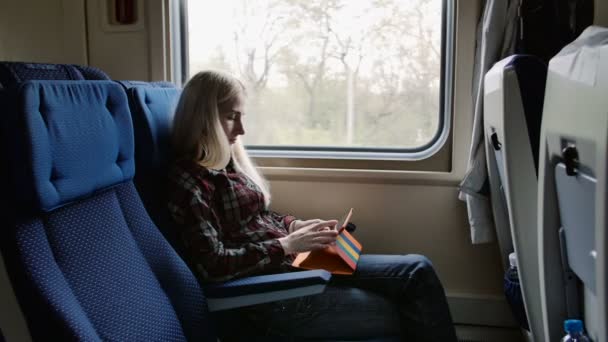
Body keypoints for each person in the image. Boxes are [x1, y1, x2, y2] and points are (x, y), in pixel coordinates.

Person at [167, 70, 458, 341]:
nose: (241, 129)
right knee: (402, 308)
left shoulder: (226, 164)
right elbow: (212, 264)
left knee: (417, 269)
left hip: (295, 266)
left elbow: (257, 218)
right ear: (204, 118)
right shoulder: (189, 182)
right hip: (269, 297)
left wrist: (294, 226)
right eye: (232, 117)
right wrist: (286, 244)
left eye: (242, 116)